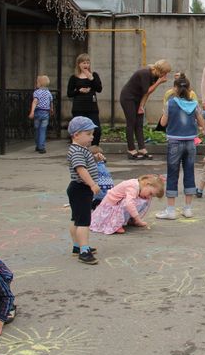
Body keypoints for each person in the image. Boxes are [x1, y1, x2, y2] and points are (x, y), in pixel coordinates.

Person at [156, 75, 205, 220]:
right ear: (189, 89)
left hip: (174, 142)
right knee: (189, 173)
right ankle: (188, 208)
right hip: (190, 143)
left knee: (172, 174)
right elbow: (202, 123)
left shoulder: (170, 103)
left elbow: (163, 123)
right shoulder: (195, 104)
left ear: (175, 89)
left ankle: (170, 210)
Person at [119, 60, 171, 160]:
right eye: (165, 72)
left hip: (138, 99)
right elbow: (147, 90)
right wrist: (159, 82)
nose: (166, 75)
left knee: (139, 123)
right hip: (128, 97)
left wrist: (141, 106)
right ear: (160, 71)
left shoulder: (155, 76)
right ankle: (131, 149)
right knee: (131, 122)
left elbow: (147, 93)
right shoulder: (145, 73)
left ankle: (142, 148)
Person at [66, 116, 101, 265]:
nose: (91, 137)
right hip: (81, 189)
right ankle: (84, 251)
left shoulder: (80, 149)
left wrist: (96, 159)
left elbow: (86, 163)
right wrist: (92, 184)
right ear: (76, 135)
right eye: (88, 134)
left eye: (92, 134)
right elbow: (81, 169)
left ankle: (77, 246)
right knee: (84, 222)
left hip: (77, 188)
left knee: (77, 219)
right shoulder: (77, 151)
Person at [90, 175, 165, 235]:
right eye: (150, 193)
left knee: (143, 200)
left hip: (116, 205)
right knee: (129, 203)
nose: (149, 196)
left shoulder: (139, 186)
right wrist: (138, 219)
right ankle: (115, 224)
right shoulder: (133, 186)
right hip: (110, 207)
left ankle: (129, 220)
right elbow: (129, 204)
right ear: (147, 184)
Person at [67, 54, 103, 146]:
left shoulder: (94, 75)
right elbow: (69, 93)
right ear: (79, 64)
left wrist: (91, 78)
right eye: (84, 63)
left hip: (92, 107)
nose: (86, 65)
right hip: (78, 107)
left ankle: (94, 149)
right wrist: (79, 91)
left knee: (97, 130)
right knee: (78, 130)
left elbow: (99, 89)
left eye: (88, 62)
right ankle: (78, 150)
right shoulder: (74, 77)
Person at [28, 75, 53, 154]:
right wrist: (51, 109)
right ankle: (41, 147)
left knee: (37, 129)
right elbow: (51, 102)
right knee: (43, 130)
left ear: (40, 83)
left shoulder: (37, 92)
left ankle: (38, 145)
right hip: (46, 112)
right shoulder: (49, 93)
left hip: (38, 112)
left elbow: (35, 102)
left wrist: (32, 111)